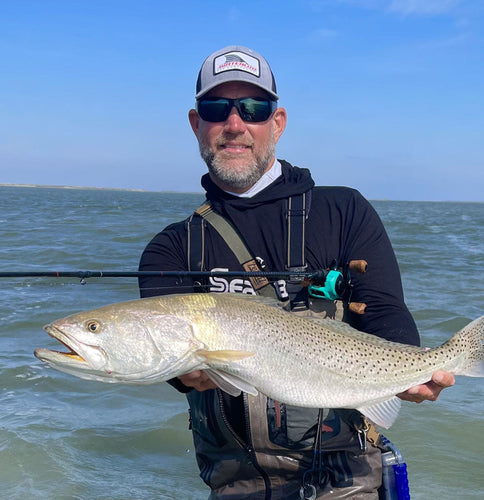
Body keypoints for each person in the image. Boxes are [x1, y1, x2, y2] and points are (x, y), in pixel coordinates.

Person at [139, 45, 455, 499]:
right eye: (216, 108)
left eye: (253, 108)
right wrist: (183, 372)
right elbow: (166, 361)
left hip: (346, 479)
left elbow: (386, 311)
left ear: (277, 122)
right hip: (234, 486)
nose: (234, 124)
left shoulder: (343, 210)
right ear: (196, 123)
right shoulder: (170, 249)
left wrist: (411, 370)